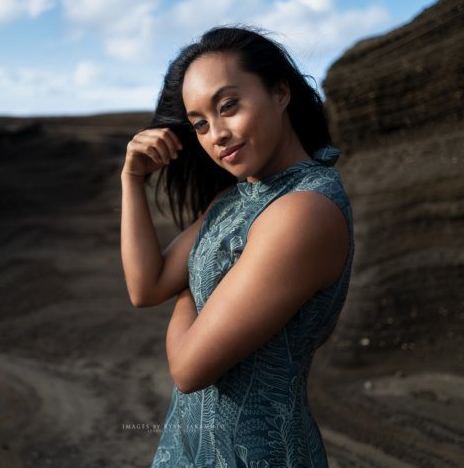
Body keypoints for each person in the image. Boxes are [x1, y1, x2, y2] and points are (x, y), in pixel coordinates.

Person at [120, 24, 354, 467]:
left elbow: (189, 369)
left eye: (229, 106)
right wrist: (131, 181)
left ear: (280, 93)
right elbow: (145, 287)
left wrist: (191, 287)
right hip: (191, 449)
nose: (217, 134)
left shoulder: (304, 209)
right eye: (200, 124)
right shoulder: (237, 199)